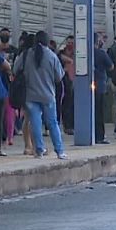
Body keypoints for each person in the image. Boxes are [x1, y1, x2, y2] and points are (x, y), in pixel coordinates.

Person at [23, 31, 67, 159]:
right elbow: (59, 77)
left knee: (35, 122)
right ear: (47, 41)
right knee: (53, 123)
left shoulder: (26, 55)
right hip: (48, 95)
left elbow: (16, 69)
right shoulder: (52, 56)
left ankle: (39, 150)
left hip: (30, 95)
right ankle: (59, 151)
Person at [11, 33, 36, 156]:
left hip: (25, 89)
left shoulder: (23, 55)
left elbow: (15, 70)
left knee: (27, 117)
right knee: (34, 118)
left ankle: (28, 145)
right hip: (37, 90)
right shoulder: (40, 55)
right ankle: (35, 146)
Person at [92, 32, 114, 144]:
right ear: (97, 41)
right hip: (99, 85)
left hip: (86, 86)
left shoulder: (85, 53)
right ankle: (99, 136)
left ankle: (89, 133)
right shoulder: (101, 53)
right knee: (99, 112)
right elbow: (111, 66)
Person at [59, 35, 76, 135]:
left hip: (75, 79)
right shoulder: (62, 53)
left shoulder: (76, 53)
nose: (70, 44)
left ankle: (73, 125)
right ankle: (67, 126)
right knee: (67, 103)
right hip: (66, 79)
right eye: (68, 42)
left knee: (74, 104)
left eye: (72, 43)